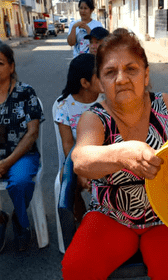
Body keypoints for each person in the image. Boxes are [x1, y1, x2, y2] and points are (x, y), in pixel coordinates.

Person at [62, 29, 168, 280]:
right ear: (101, 82)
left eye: (131, 69)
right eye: (110, 72)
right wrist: (122, 154)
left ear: (146, 74)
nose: (121, 79)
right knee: (77, 267)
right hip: (111, 215)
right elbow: (80, 160)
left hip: (164, 214)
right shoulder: (96, 118)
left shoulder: (167, 106)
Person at [0, 42, 44, 253]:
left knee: (21, 182)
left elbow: (32, 132)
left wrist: (6, 163)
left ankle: (20, 221)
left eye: (0, 63)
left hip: (22, 154)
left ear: (11, 67)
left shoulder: (25, 92)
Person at [53, 53, 102, 220]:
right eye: (99, 75)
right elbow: (67, 144)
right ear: (84, 83)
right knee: (67, 182)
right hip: (77, 158)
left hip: (106, 155)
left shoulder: (107, 99)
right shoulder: (64, 106)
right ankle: (80, 218)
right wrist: (80, 170)